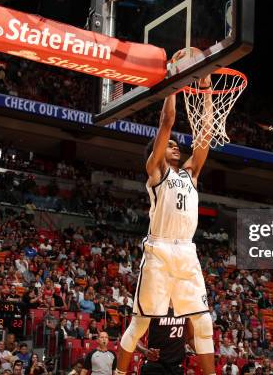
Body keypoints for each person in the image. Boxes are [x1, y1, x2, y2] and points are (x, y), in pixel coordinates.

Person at [115, 48, 216, 375]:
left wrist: (207, 89)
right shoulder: (156, 171)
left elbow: (204, 135)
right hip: (158, 249)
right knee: (140, 321)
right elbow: (167, 122)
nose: (175, 145)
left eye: (175, 145)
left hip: (186, 251)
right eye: (169, 145)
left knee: (202, 322)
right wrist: (174, 81)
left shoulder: (191, 174)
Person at [136, 306, 191, 375]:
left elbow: (191, 338)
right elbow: (133, 337)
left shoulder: (186, 308)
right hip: (155, 366)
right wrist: (145, 351)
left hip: (177, 366)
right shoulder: (152, 306)